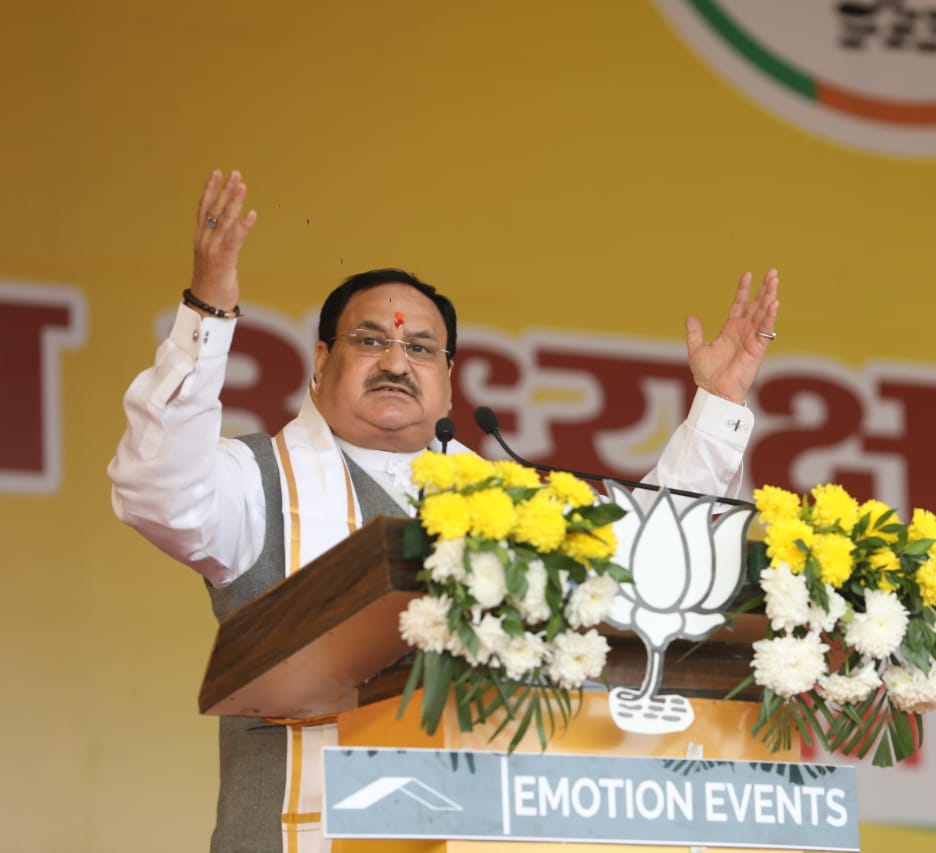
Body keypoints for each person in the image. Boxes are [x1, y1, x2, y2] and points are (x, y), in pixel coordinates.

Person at [108, 169, 781, 853]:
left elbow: (640, 562)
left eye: (421, 348)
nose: (397, 361)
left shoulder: (500, 501)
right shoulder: (256, 480)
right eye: (370, 341)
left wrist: (718, 405)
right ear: (320, 362)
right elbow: (157, 487)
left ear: (449, 382)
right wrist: (208, 315)